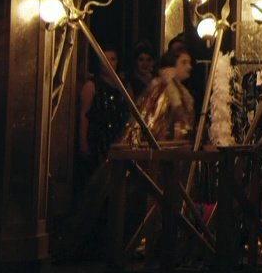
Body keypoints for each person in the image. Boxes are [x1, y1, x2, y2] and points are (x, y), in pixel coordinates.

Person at [77, 50, 130, 180]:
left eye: (113, 59)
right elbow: (84, 115)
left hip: (119, 139)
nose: (109, 63)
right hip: (98, 140)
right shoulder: (91, 85)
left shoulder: (124, 86)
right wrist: (83, 143)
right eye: (105, 59)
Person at [135, 48, 195, 143]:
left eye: (189, 62)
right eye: (184, 62)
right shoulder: (160, 88)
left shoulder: (181, 91)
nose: (189, 67)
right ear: (171, 67)